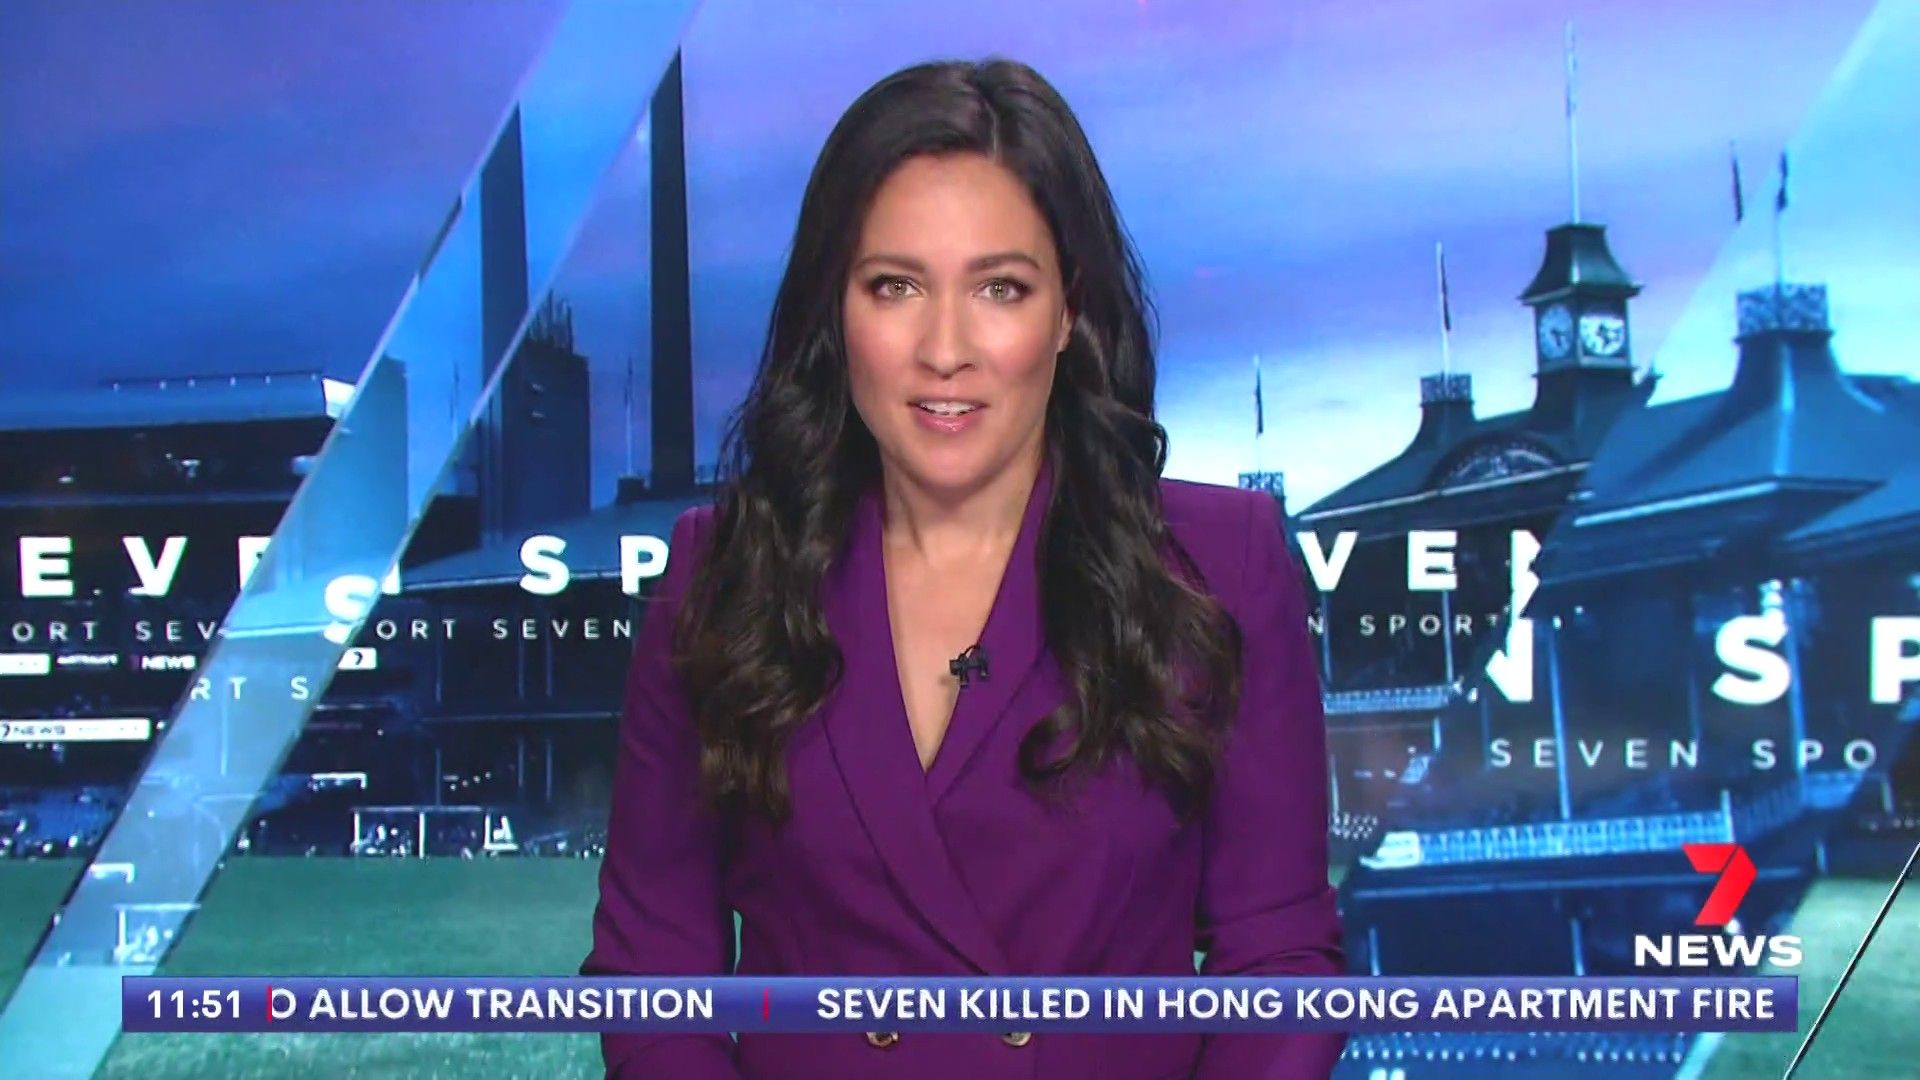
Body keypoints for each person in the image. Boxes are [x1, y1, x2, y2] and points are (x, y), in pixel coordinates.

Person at [584, 57, 1344, 1078]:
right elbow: (652, 979)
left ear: (1067, 312)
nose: (946, 349)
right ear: (834, 309)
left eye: (1000, 288)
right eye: (895, 286)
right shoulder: (721, 578)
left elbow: (1281, 966)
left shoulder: (1220, 565)